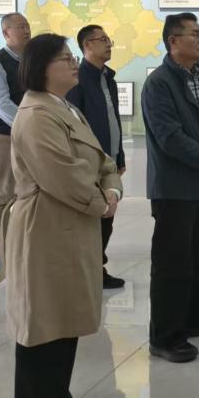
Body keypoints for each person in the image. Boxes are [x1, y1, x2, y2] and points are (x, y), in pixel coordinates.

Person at [3, 33, 122, 398]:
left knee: (64, 323)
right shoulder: (36, 116)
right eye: (66, 59)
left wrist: (113, 190)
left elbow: (102, 161)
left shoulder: (65, 108)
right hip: (46, 231)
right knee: (43, 327)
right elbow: (63, 176)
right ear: (42, 68)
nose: (74, 64)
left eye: (73, 58)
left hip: (70, 227)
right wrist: (102, 201)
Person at [142, 13, 199, 364]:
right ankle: (165, 336)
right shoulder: (159, 83)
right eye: (194, 34)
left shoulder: (198, 77)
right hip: (175, 188)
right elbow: (170, 137)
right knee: (172, 264)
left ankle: (192, 317)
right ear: (173, 41)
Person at [66, 25, 127, 290]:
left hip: (109, 161)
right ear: (87, 45)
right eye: (102, 39)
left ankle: (96, 267)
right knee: (92, 219)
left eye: (108, 39)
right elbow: (74, 125)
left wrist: (119, 156)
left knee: (107, 218)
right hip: (90, 163)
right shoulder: (78, 79)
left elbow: (114, 120)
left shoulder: (108, 79)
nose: (109, 44)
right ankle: (89, 270)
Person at [0, 12, 30, 272]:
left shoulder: (31, 60)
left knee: (27, 193)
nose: (26, 30)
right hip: (4, 136)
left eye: (27, 26)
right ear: (6, 33)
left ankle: (20, 247)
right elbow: (1, 103)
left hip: (29, 135)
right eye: (20, 27)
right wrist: (28, 124)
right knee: (1, 194)